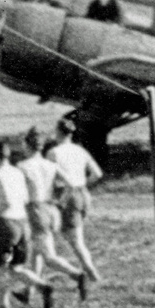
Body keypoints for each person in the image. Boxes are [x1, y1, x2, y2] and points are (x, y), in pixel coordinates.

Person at [16, 127, 87, 303]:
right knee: (36, 253)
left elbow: (20, 192)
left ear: (27, 146)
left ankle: (77, 275)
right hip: (50, 208)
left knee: (49, 256)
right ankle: (28, 292)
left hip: (35, 209)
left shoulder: (22, 166)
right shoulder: (50, 165)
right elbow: (71, 185)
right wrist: (60, 202)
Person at [0, 141, 54, 308]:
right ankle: (42, 285)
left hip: (6, 223)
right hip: (23, 222)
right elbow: (23, 197)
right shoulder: (17, 172)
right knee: (16, 267)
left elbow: (5, 203)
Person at [47, 118, 102, 282]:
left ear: (58, 132)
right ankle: (87, 269)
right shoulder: (80, 150)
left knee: (76, 241)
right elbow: (97, 174)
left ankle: (91, 273)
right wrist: (83, 183)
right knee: (76, 237)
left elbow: (49, 177)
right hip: (83, 193)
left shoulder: (54, 153)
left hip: (67, 194)